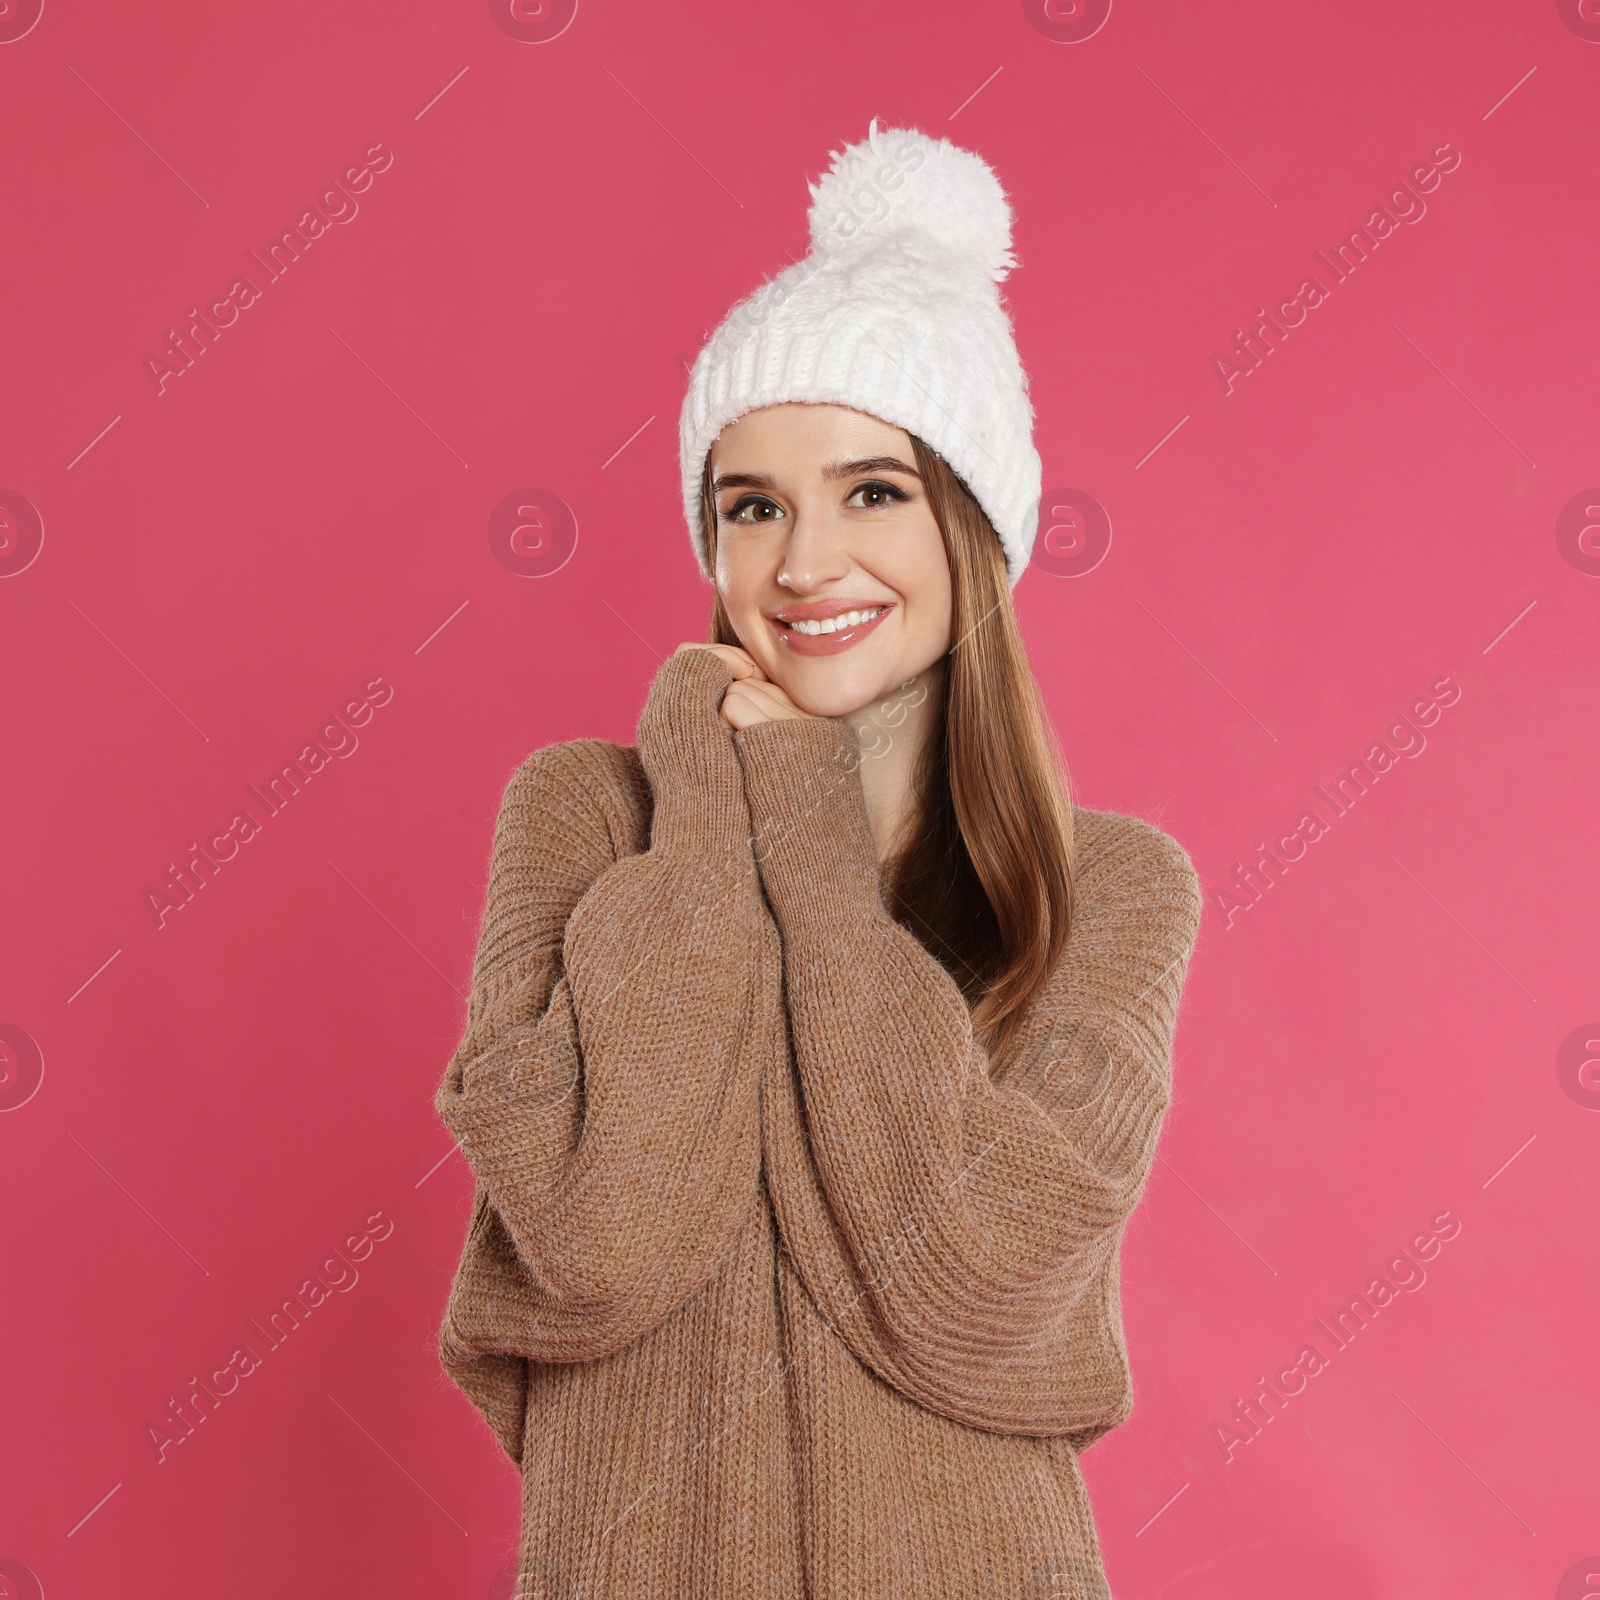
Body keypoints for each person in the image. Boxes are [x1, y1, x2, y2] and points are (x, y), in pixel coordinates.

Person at [434, 119, 1203, 1600]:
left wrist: (800, 809)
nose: (801, 564)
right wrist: (716, 796)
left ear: (971, 525)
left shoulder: (1106, 888)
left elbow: (974, 1284)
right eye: (752, 506)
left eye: (872, 491)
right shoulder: (586, 818)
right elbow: (601, 1237)